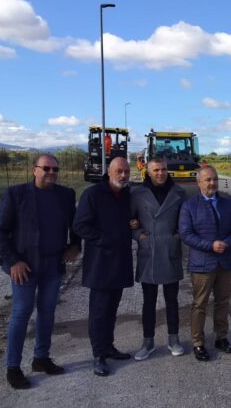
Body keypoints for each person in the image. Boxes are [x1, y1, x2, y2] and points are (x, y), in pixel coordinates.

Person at [0, 154, 80, 389]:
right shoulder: (15, 194)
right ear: (34, 170)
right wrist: (13, 261)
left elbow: (75, 225)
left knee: (47, 312)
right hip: (24, 267)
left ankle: (41, 358)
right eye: (46, 168)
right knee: (21, 313)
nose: (51, 173)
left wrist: (75, 245)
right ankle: (13, 367)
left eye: (55, 169)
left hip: (53, 265)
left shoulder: (65, 195)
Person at [73, 157, 134, 376]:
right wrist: (105, 239)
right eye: (119, 171)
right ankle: (98, 355)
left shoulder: (126, 194)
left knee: (112, 309)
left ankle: (108, 347)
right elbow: (80, 225)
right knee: (99, 311)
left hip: (120, 261)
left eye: (126, 172)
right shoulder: (93, 194)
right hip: (100, 263)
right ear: (109, 172)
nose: (123, 175)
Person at [179, 165, 231, 361]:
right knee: (200, 304)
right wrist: (210, 245)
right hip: (202, 263)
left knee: (222, 301)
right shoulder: (189, 206)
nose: (212, 183)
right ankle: (198, 343)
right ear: (198, 182)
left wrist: (227, 243)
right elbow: (186, 234)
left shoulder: (228, 203)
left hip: (225, 261)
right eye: (208, 179)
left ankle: (221, 337)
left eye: (214, 179)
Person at [130, 158, 188, 361]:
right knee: (149, 301)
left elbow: (185, 220)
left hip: (170, 250)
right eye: (156, 170)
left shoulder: (179, 193)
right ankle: (148, 343)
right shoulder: (137, 193)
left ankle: (174, 339)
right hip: (149, 251)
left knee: (172, 300)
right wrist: (139, 236)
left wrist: (178, 236)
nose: (160, 173)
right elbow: (130, 220)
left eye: (163, 169)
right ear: (148, 171)